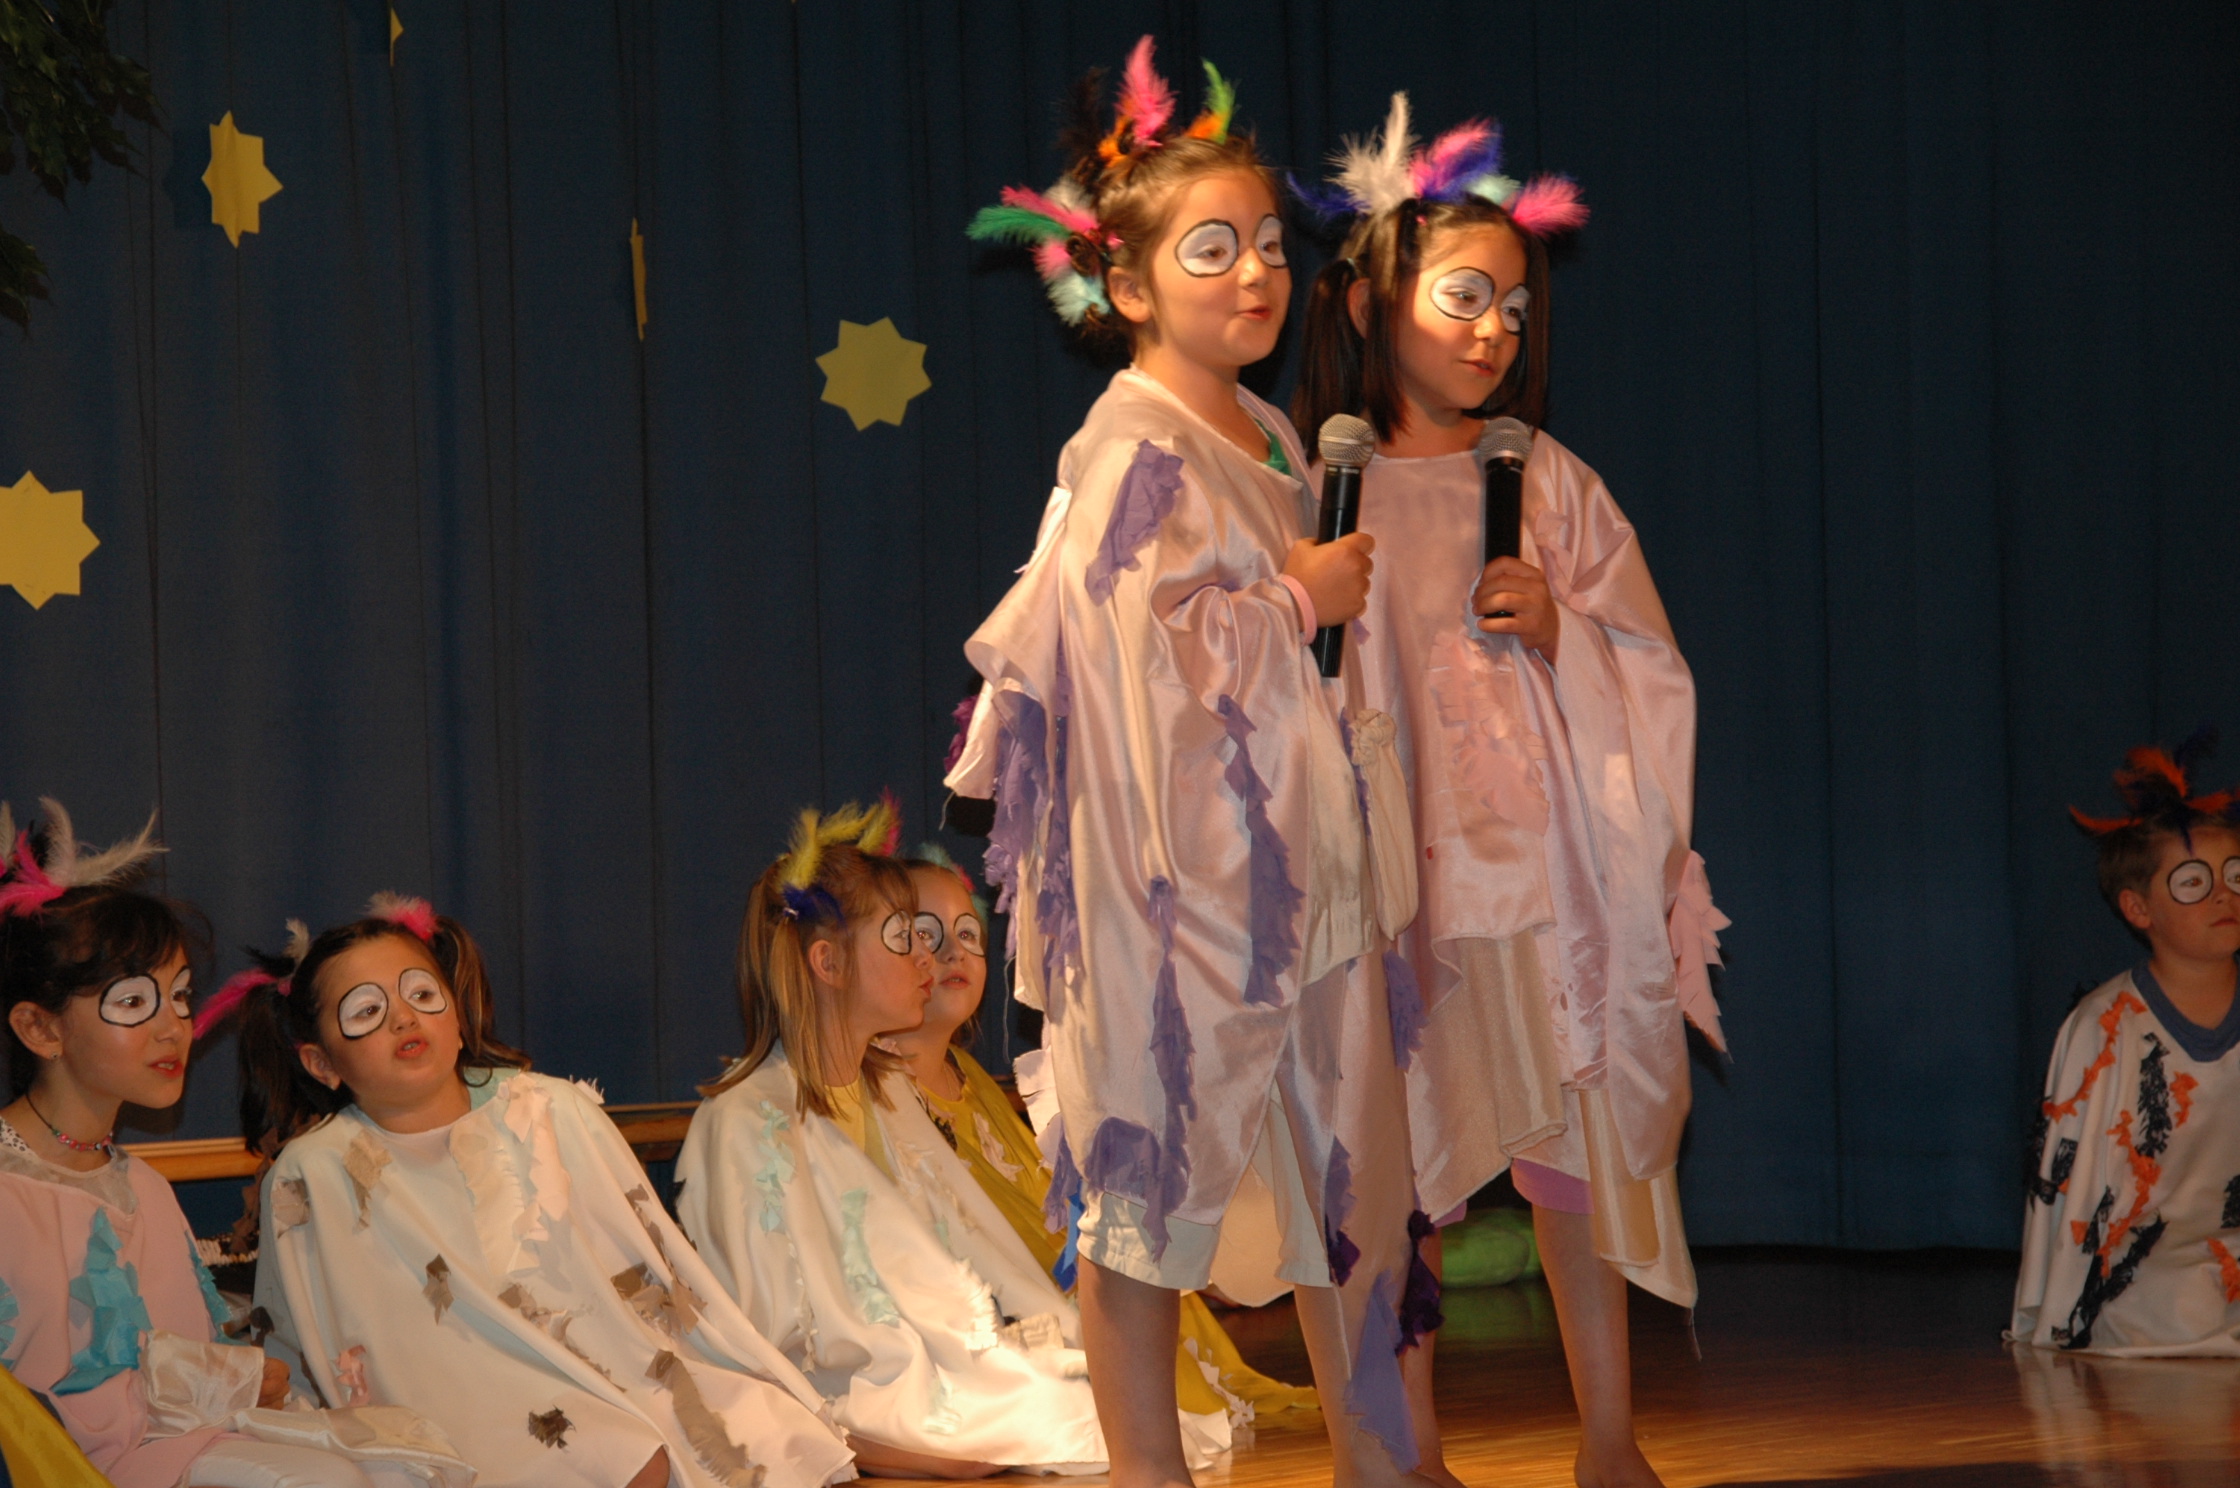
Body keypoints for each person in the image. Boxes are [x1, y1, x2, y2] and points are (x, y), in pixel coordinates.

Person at [952, 38, 1427, 1488]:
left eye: (1270, 246)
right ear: (1130, 285)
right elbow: (1128, 672)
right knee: (1147, 1195)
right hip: (1182, 898)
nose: (1255, 276)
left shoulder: (1273, 432)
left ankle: (1379, 1459)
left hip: (1305, 873)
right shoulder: (1133, 449)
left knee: (1353, 1178)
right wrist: (1290, 601)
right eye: (1210, 250)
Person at [1292, 96, 1731, 1488]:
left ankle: (1608, 1435)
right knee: (1395, 1170)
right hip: (1386, 885)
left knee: (1570, 1158)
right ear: (1367, 301)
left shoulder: (1547, 484)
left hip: (1532, 883)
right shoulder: (1311, 487)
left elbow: (1652, 669)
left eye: (1514, 309)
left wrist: (1562, 632)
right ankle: (1412, 1450)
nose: (1493, 332)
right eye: (1462, 297)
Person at [227, 893, 852, 1488]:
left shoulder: (550, 1111)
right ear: (322, 1063)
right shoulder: (313, 1173)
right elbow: (312, 1343)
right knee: (616, 1459)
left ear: (456, 1014)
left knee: (769, 1434)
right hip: (446, 1405)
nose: (403, 1017)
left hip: (608, 1362)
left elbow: (642, 1274)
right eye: (367, 1012)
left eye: (421, 994)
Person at [0, 802, 469, 1488]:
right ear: (40, 1029)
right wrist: (230, 1378)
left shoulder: (141, 1187)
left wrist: (239, 1376)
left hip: (190, 1445)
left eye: (180, 997)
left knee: (410, 1461)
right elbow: (41, 1415)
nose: (174, 1027)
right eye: (133, 1004)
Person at [673, 802, 1115, 1476]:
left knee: (1088, 1405)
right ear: (828, 962)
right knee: (1021, 1431)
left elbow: (958, 1246)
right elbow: (768, 1334)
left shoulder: (890, 1093)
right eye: (903, 938)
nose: (927, 959)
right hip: (836, 1385)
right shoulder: (744, 1120)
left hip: (919, 1355)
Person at [886, 851, 1318, 1430]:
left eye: (968, 934)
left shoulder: (972, 1081)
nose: (951, 953)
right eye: (923, 934)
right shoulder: (880, 1094)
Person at [2011, 737, 2240, 1356]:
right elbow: (2078, 1189)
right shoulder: (2105, 1027)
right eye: (2193, 883)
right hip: (2152, 1270)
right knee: (2177, 1311)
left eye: (2235, 876)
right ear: (2138, 909)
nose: (2224, 896)